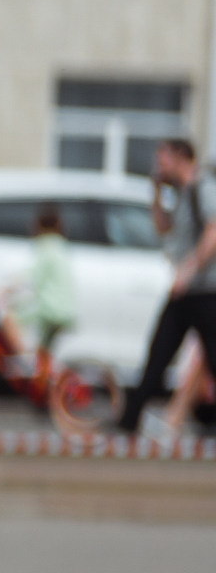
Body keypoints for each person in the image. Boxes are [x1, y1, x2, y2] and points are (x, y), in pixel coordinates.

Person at [116, 138, 216, 433]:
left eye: (163, 160)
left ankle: (131, 419)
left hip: (207, 290)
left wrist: (189, 269)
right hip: (187, 291)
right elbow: (164, 227)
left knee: (212, 356)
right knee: (159, 352)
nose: (158, 166)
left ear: (181, 157)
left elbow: (213, 230)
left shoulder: (204, 186)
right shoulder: (183, 193)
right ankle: (129, 420)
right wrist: (156, 192)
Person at [16, 205, 76, 384]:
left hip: (50, 309)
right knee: (44, 355)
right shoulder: (61, 245)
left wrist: (4, 292)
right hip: (65, 308)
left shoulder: (45, 246)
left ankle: (23, 363)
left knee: (9, 317)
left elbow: (30, 278)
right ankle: (41, 384)